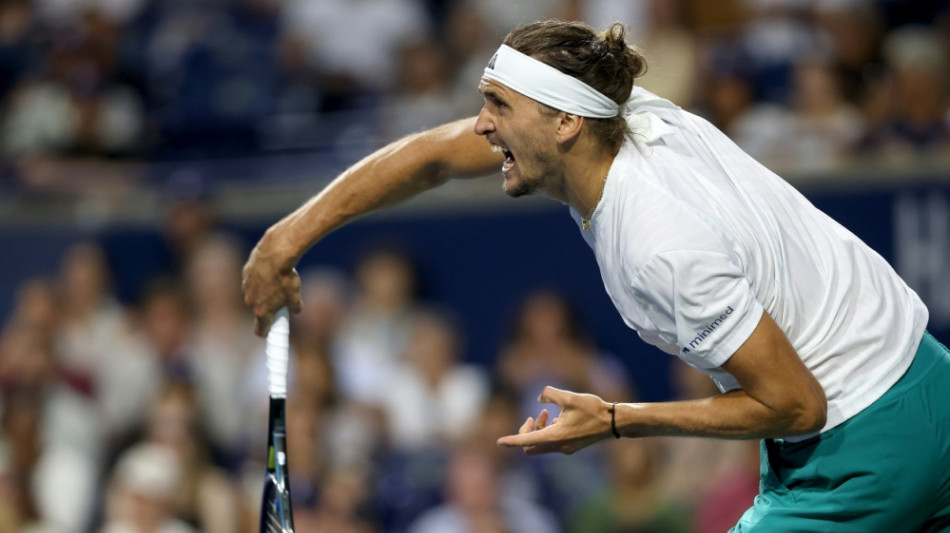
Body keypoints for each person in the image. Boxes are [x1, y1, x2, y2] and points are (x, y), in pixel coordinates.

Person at [242, 18, 950, 531]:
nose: (482, 127)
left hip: (862, 443)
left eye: (498, 108)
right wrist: (286, 238)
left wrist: (615, 420)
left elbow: (797, 405)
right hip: (929, 381)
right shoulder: (626, 113)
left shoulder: (656, 242)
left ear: (564, 126)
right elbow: (431, 156)